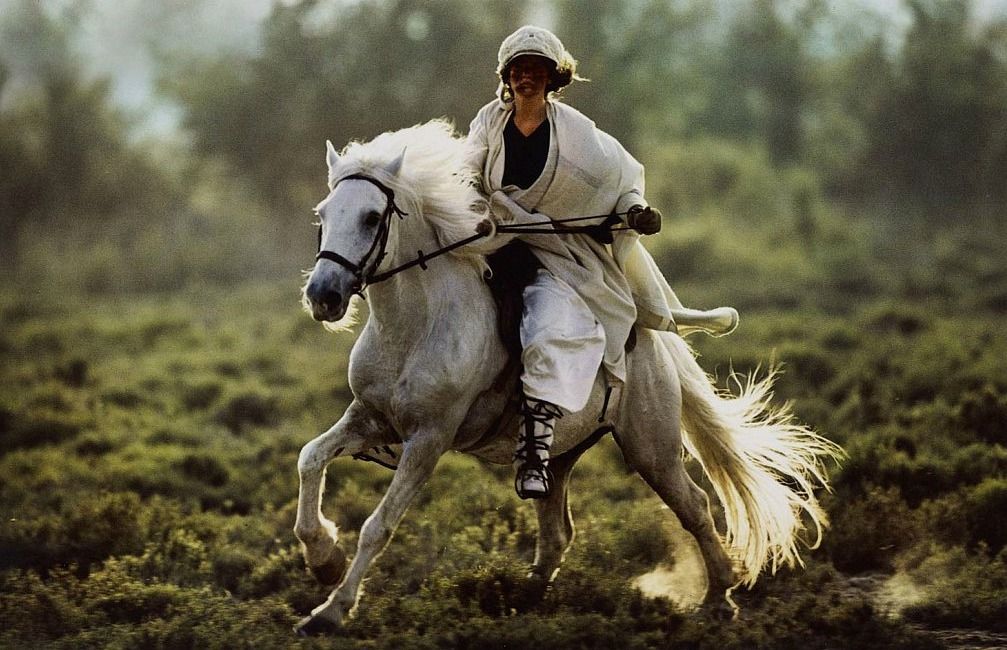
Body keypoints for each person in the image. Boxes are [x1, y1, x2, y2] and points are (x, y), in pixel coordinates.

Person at [465, 26, 737, 500]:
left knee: (548, 324)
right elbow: (464, 174)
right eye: (517, 69)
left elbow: (624, 177)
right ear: (506, 76)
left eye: (535, 69)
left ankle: (534, 447)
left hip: (561, 257)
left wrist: (635, 211)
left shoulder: (579, 137)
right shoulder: (489, 121)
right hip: (494, 244)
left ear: (552, 78)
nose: (525, 77)